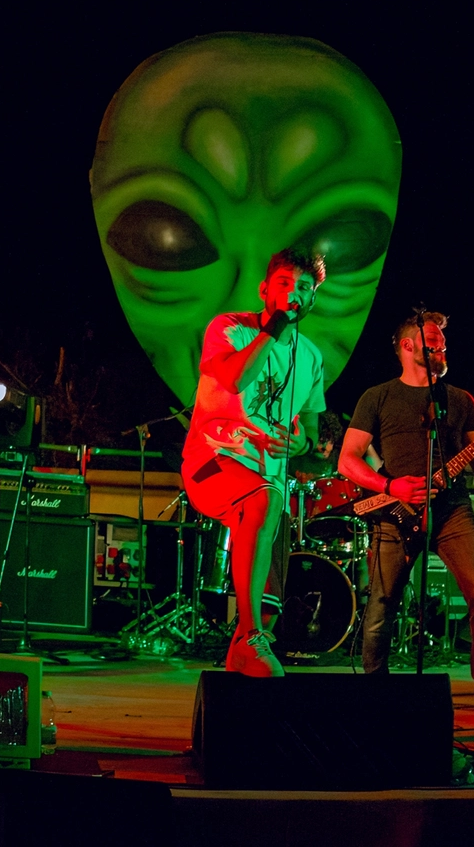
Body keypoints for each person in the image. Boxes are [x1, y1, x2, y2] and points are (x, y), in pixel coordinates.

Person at [338, 311, 474, 725]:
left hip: (453, 508)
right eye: (434, 340)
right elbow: (347, 461)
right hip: (394, 510)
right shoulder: (378, 397)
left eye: (444, 341)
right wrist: (391, 487)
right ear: (409, 345)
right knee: (382, 603)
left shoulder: (459, 399)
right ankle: (375, 692)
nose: (442, 346)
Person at [182, 249, 326, 677]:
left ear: (313, 299)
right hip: (210, 461)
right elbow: (235, 379)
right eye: (284, 283)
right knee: (265, 499)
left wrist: (301, 441)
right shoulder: (229, 328)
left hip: (265, 480)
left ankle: (242, 652)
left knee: (267, 510)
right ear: (265, 289)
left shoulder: (313, 357)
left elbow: (313, 437)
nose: (293, 293)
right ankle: (248, 636)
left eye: (303, 287)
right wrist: (274, 331)